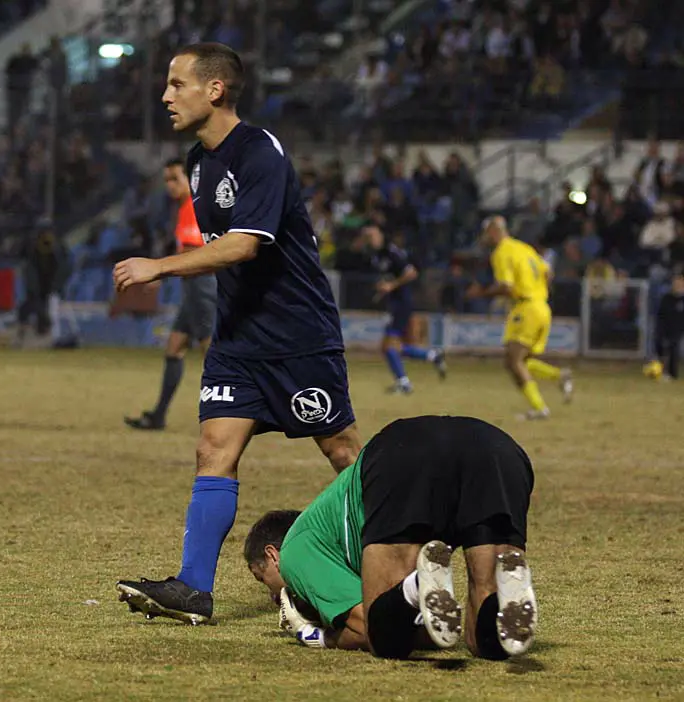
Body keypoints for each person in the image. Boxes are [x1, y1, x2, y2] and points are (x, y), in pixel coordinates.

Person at [113, 42, 363, 624]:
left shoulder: (259, 151)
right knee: (213, 451)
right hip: (238, 340)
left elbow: (246, 244)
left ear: (215, 89)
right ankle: (194, 590)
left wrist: (160, 265)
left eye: (177, 84)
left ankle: (395, 560)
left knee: (344, 452)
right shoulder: (199, 164)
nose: (165, 95)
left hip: (296, 334)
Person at [245, 415, 537, 660]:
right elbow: (436, 636)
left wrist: (317, 636)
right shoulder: (329, 530)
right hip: (496, 448)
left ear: (273, 555)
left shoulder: (295, 551)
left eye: (263, 579)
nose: (272, 596)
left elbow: (366, 631)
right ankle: (503, 591)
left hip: (405, 452)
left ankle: (414, 587)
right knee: (484, 641)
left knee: (385, 638)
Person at [124, 158, 217, 430]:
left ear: (190, 179)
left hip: (202, 286)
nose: (170, 186)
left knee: (213, 355)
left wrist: (159, 272)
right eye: (166, 180)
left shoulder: (192, 208)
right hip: (193, 288)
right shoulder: (185, 207)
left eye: (175, 179)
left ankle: (227, 418)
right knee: (174, 347)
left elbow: (192, 253)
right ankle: (159, 416)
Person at [468, 216, 573, 419]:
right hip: (541, 306)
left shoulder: (501, 252)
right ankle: (560, 376)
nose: (484, 238)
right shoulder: (524, 248)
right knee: (522, 360)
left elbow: (505, 286)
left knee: (513, 361)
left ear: (492, 231)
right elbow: (548, 273)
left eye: (485, 233)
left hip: (525, 307)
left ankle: (540, 408)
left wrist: (480, 293)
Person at [361, 223, 446, 393]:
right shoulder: (375, 256)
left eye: (372, 235)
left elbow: (411, 273)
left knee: (389, 346)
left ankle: (404, 383)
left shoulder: (391, 252)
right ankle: (432, 356)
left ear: (380, 236)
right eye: (367, 237)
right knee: (391, 347)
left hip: (402, 303)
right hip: (395, 303)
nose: (370, 239)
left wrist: (391, 286)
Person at [654, 272, 684, 381]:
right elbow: (661, 314)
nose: (677, 284)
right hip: (666, 327)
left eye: (680, 282)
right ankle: (661, 370)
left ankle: (673, 374)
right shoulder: (667, 298)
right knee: (659, 345)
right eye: (675, 282)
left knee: (674, 347)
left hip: (679, 329)